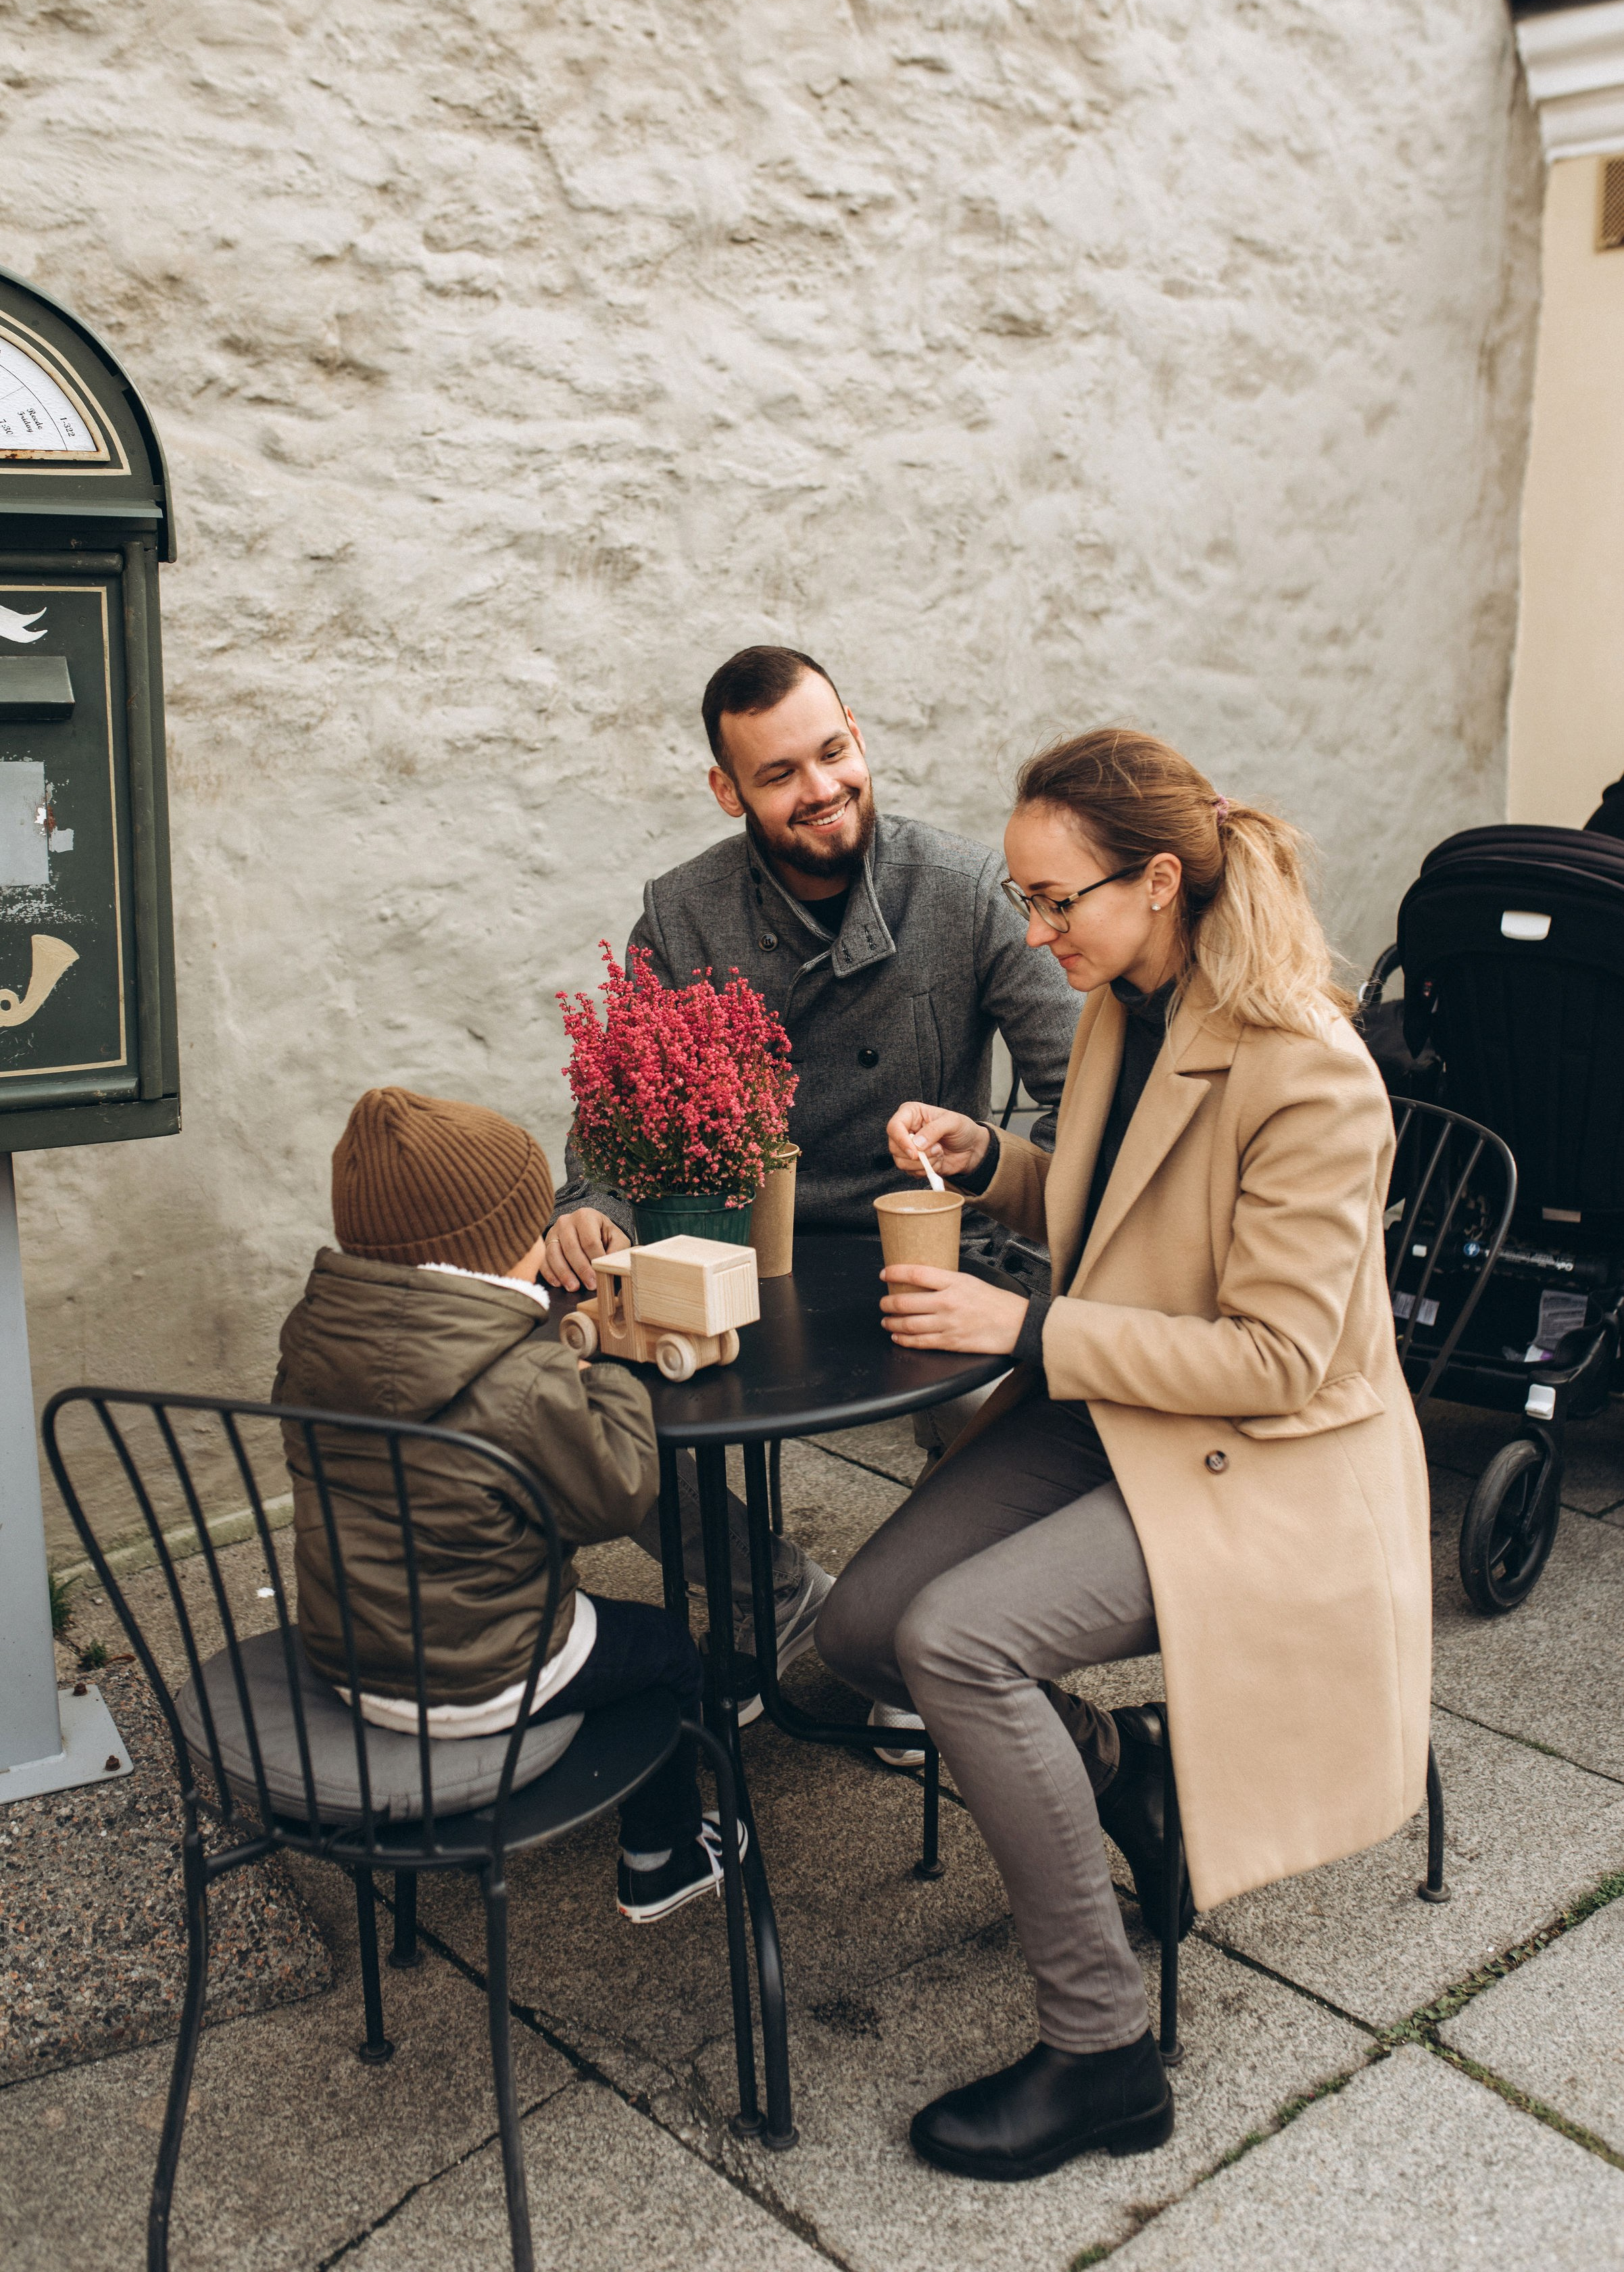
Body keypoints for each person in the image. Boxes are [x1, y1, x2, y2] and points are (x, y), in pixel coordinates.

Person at [815, 727, 1431, 2181]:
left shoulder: (1307, 1069)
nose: (1032, 931)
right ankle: (1124, 1767)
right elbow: (1123, 1221)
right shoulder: (1125, 1007)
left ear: (1156, 881)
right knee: (854, 1629)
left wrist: (1022, 1332)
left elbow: (1278, 1362)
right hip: (1118, 1415)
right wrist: (989, 1162)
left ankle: (1103, 2056)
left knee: (957, 1643)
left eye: (1054, 901)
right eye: (1024, 901)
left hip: (1260, 1468)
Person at [541, 646, 1081, 1729]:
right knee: (588, 1411)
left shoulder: (967, 890)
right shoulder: (684, 913)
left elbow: (1086, 1100)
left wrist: (996, 1158)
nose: (822, 788)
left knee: (1004, 1422)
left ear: (858, 738)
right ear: (726, 790)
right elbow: (616, 1113)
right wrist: (589, 1201)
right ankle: (771, 1597)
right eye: (779, 773)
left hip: (926, 1249)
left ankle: (899, 1643)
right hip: (745, 1251)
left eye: (833, 752)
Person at [275, 1086, 740, 1925]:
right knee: (666, 1649)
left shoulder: (313, 1336)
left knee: (608, 1635)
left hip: (350, 1653)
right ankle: (663, 1855)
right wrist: (609, 1378)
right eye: (532, 1231)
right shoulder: (521, 1379)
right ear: (499, 1251)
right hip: (484, 1674)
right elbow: (617, 1494)